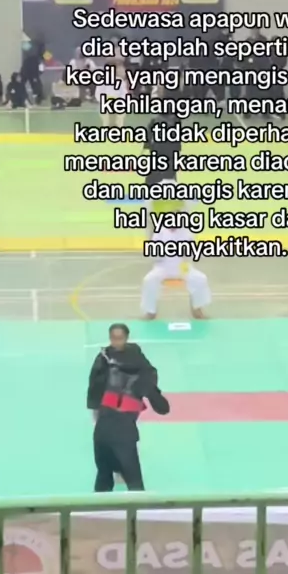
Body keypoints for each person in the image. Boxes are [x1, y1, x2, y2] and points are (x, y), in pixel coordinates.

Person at [87, 323, 170, 492]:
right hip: (115, 430)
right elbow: (94, 384)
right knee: (124, 479)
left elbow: (94, 390)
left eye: (120, 338)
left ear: (126, 338)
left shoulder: (123, 362)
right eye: (113, 338)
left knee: (112, 476)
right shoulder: (106, 360)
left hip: (112, 430)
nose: (116, 342)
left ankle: (117, 483)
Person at [141, 204, 211, 320]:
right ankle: (150, 312)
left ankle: (197, 309)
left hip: (182, 267)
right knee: (149, 280)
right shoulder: (160, 231)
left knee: (200, 279)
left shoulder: (186, 232)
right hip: (163, 267)